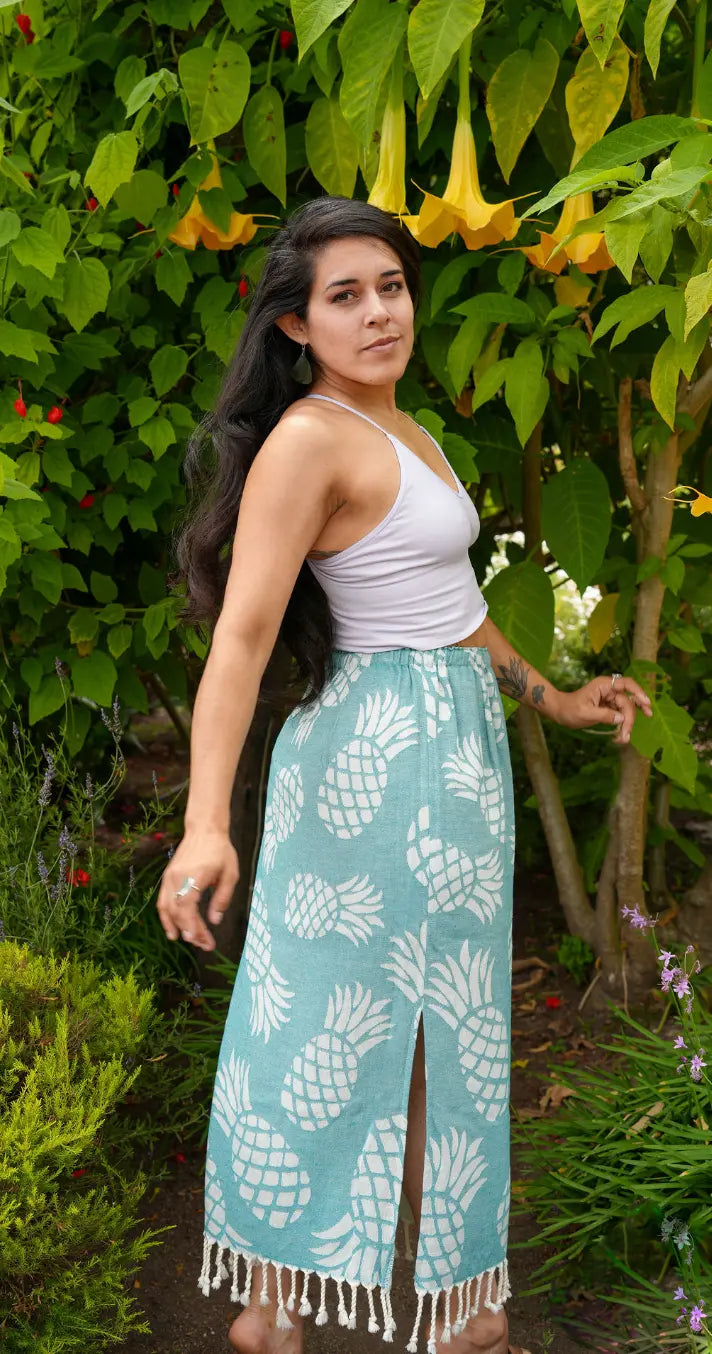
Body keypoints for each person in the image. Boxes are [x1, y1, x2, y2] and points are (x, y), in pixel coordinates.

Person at [156, 196, 652, 1354]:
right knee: (364, 1026)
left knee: (420, 1022)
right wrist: (201, 826)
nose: (379, 311)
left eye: (390, 285)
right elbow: (238, 639)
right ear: (294, 326)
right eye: (346, 295)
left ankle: (293, 1313)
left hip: (447, 754)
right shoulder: (311, 441)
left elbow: (457, 616)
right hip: (376, 769)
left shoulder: (403, 430)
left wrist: (558, 697)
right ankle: (417, 1314)